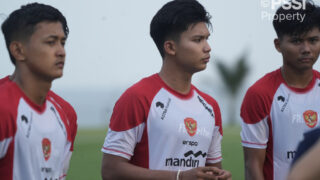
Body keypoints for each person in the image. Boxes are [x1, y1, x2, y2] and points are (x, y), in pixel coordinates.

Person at [101, 0, 231, 179]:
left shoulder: (211, 107)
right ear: (170, 47)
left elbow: (212, 170)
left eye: (207, 39)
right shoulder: (137, 98)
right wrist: (179, 177)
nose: (207, 47)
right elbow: (110, 171)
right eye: (198, 40)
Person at [240, 0, 320, 179]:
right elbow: (252, 165)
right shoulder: (259, 93)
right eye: (296, 41)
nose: (306, 49)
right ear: (278, 45)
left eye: (313, 40)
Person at [0, 3, 77, 180]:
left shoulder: (66, 114)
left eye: (62, 42)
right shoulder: (3, 108)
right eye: (51, 42)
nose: (61, 52)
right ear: (18, 50)